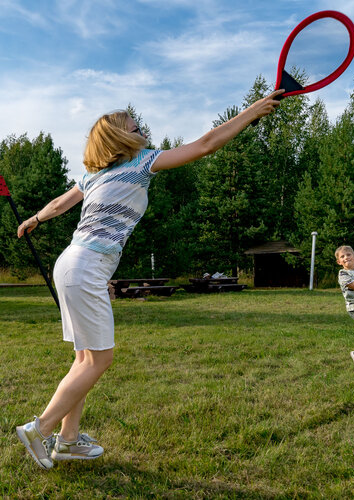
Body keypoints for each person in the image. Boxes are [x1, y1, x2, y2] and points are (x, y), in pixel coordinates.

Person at [15, 89, 284, 469]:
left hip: (73, 264)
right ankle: (38, 429)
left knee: (84, 359)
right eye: (132, 125)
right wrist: (252, 112)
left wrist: (36, 219)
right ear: (118, 138)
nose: (140, 127)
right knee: (99, 360)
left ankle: (69, 439)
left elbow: (60, 204)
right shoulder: (141, 163)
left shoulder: (93, 176)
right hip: (85, 266)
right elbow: (206, 144)